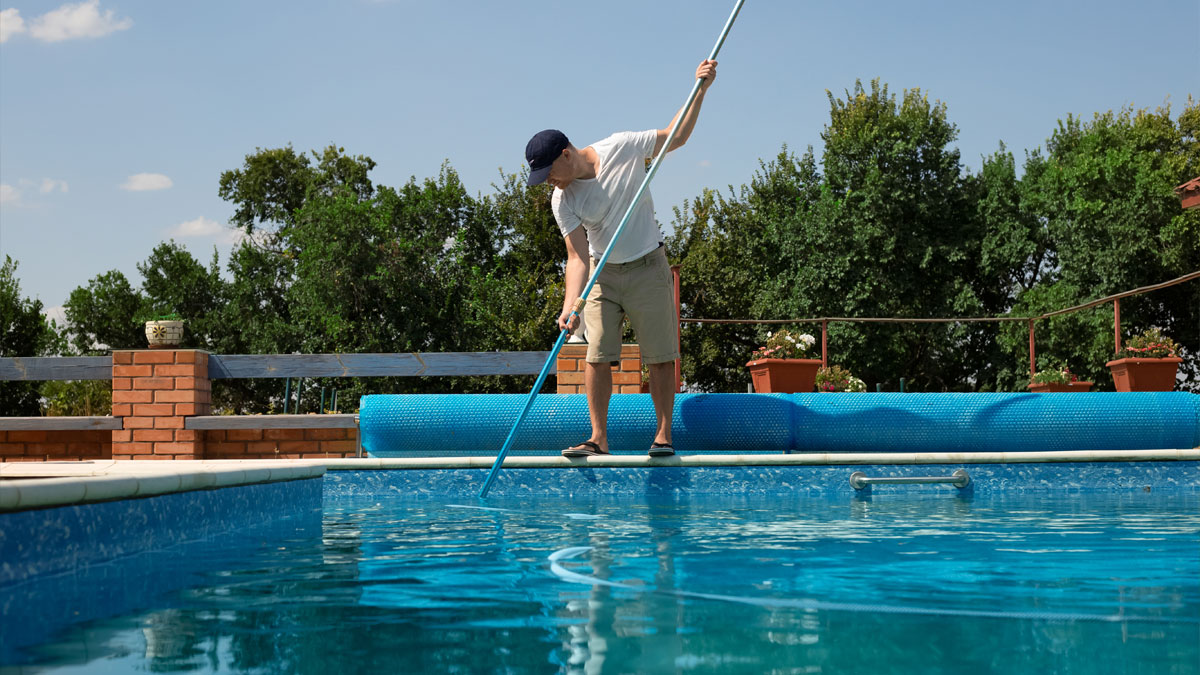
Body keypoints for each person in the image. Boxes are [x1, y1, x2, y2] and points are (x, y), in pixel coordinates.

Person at [523, 60, 718, 458]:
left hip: (648, 266)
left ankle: (663, 436)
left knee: (660, 356)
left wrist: (700, 89)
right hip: (603, 275)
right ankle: (598, 439)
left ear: (565, 154)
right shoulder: (563, 199)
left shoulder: (621, 147)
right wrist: (569, 306)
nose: (550, 183)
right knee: (596, 357)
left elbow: (674, 137)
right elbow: (577, 257)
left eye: (550, 173)